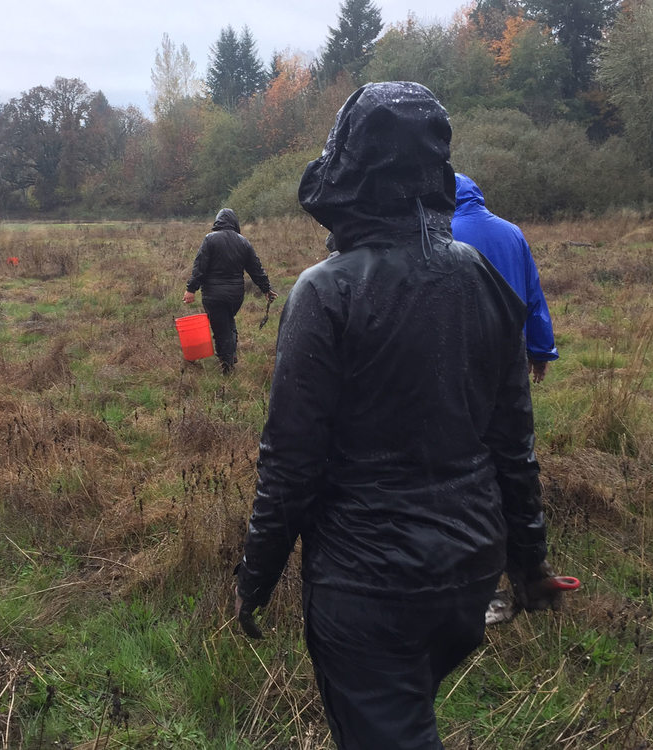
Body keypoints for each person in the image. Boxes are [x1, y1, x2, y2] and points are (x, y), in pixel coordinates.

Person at [234, 82, 560, 749]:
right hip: (469, 570)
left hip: (368, 585)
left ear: (347, 170)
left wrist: (254, 578)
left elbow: (290, 462)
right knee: (404, 714)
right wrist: (526, 566)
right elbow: (513, 445)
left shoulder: (325, 292)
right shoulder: (480, 278)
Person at [453, 173, 559, 383]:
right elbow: (532, 294)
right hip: (511, 351)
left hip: (462, 355)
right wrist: (540, 351)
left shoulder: (441, 234)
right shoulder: (513, 233)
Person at [183, 208, 277, 375]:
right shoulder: (244, 242)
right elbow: (256, 269)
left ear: (217, 222)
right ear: (235, 222)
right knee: (227, 322)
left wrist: (191, 289)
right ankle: (231, 355)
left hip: (213, 295)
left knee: (221, 330)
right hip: (236, 296)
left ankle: (227, 368)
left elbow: (200, 267)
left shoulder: (210, 239)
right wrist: (266, 289)